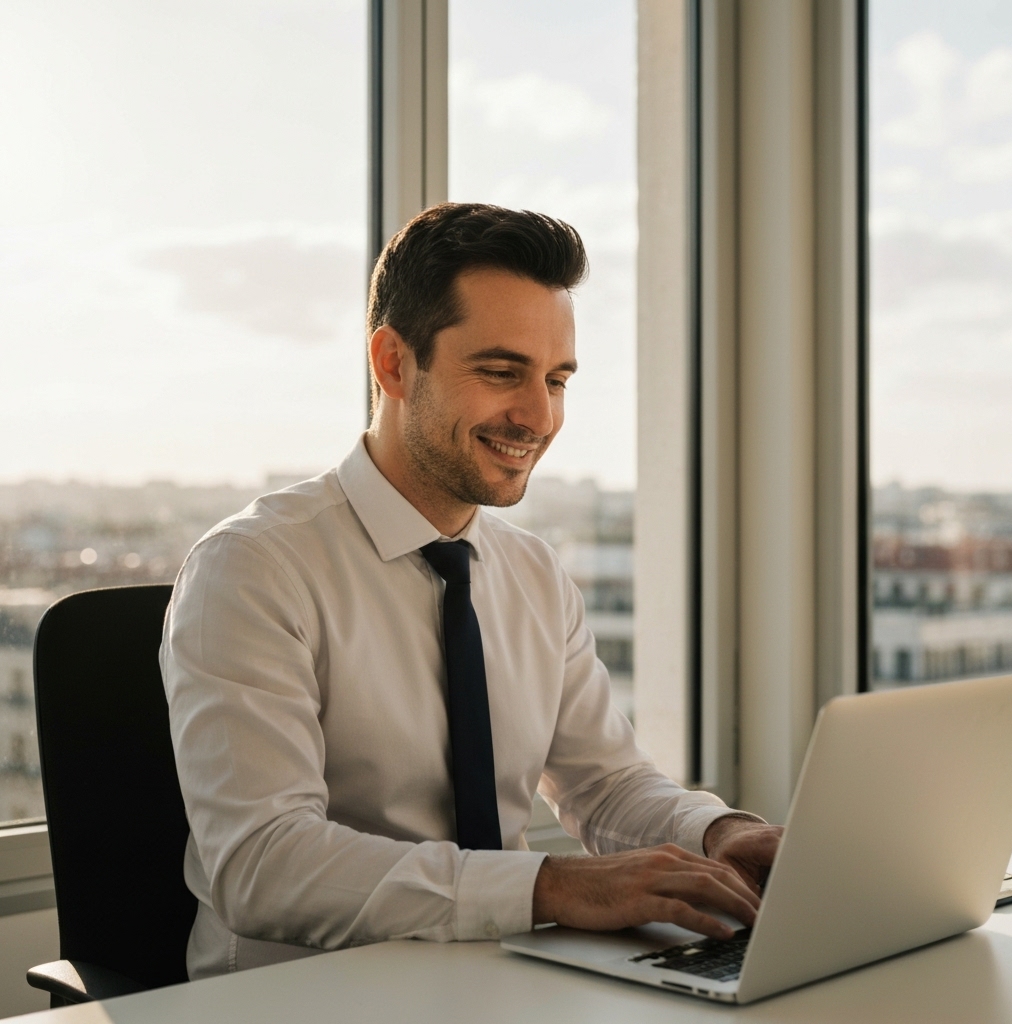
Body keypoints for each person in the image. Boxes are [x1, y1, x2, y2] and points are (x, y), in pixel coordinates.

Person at [161, 203, 783, 979]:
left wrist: (717, 833)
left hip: (499, 980)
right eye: (500, 372)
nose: (539, 416)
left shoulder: (531, 574)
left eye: (556, 380)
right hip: (303, 996)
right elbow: (263, 864)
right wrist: (551, 886)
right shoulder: (254, 569)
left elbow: (606, 785)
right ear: (392, 364)